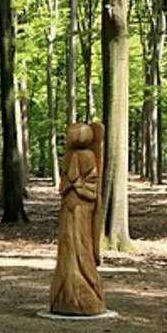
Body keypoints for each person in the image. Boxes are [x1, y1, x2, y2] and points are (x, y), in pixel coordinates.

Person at [50, 122, 104, 315]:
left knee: (83, 250)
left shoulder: (89, 156)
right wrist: (67, 184)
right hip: (68, 211)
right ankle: (63, 295)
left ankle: (87, 294)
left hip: (83, 211)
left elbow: (93, 188)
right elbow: (65, 182)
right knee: (67, 249)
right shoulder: (69, 156)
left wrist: (81, 186)